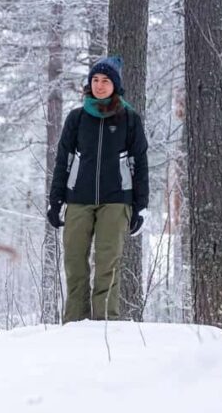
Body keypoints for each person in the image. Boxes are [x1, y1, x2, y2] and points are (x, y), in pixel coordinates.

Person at [47, 56, 148, 323]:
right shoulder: (77, 118)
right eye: (95, 80)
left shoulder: (130, 119)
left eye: (105, 81)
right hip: (78, 199)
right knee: (74, 263)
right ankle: (74, 324)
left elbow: (140, 163)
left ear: (115, 85)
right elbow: (63, 160)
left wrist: (141, 206)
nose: (100, 85)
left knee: (107, 265)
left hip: (116, 201)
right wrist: (55, 200)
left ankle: (104, 326)